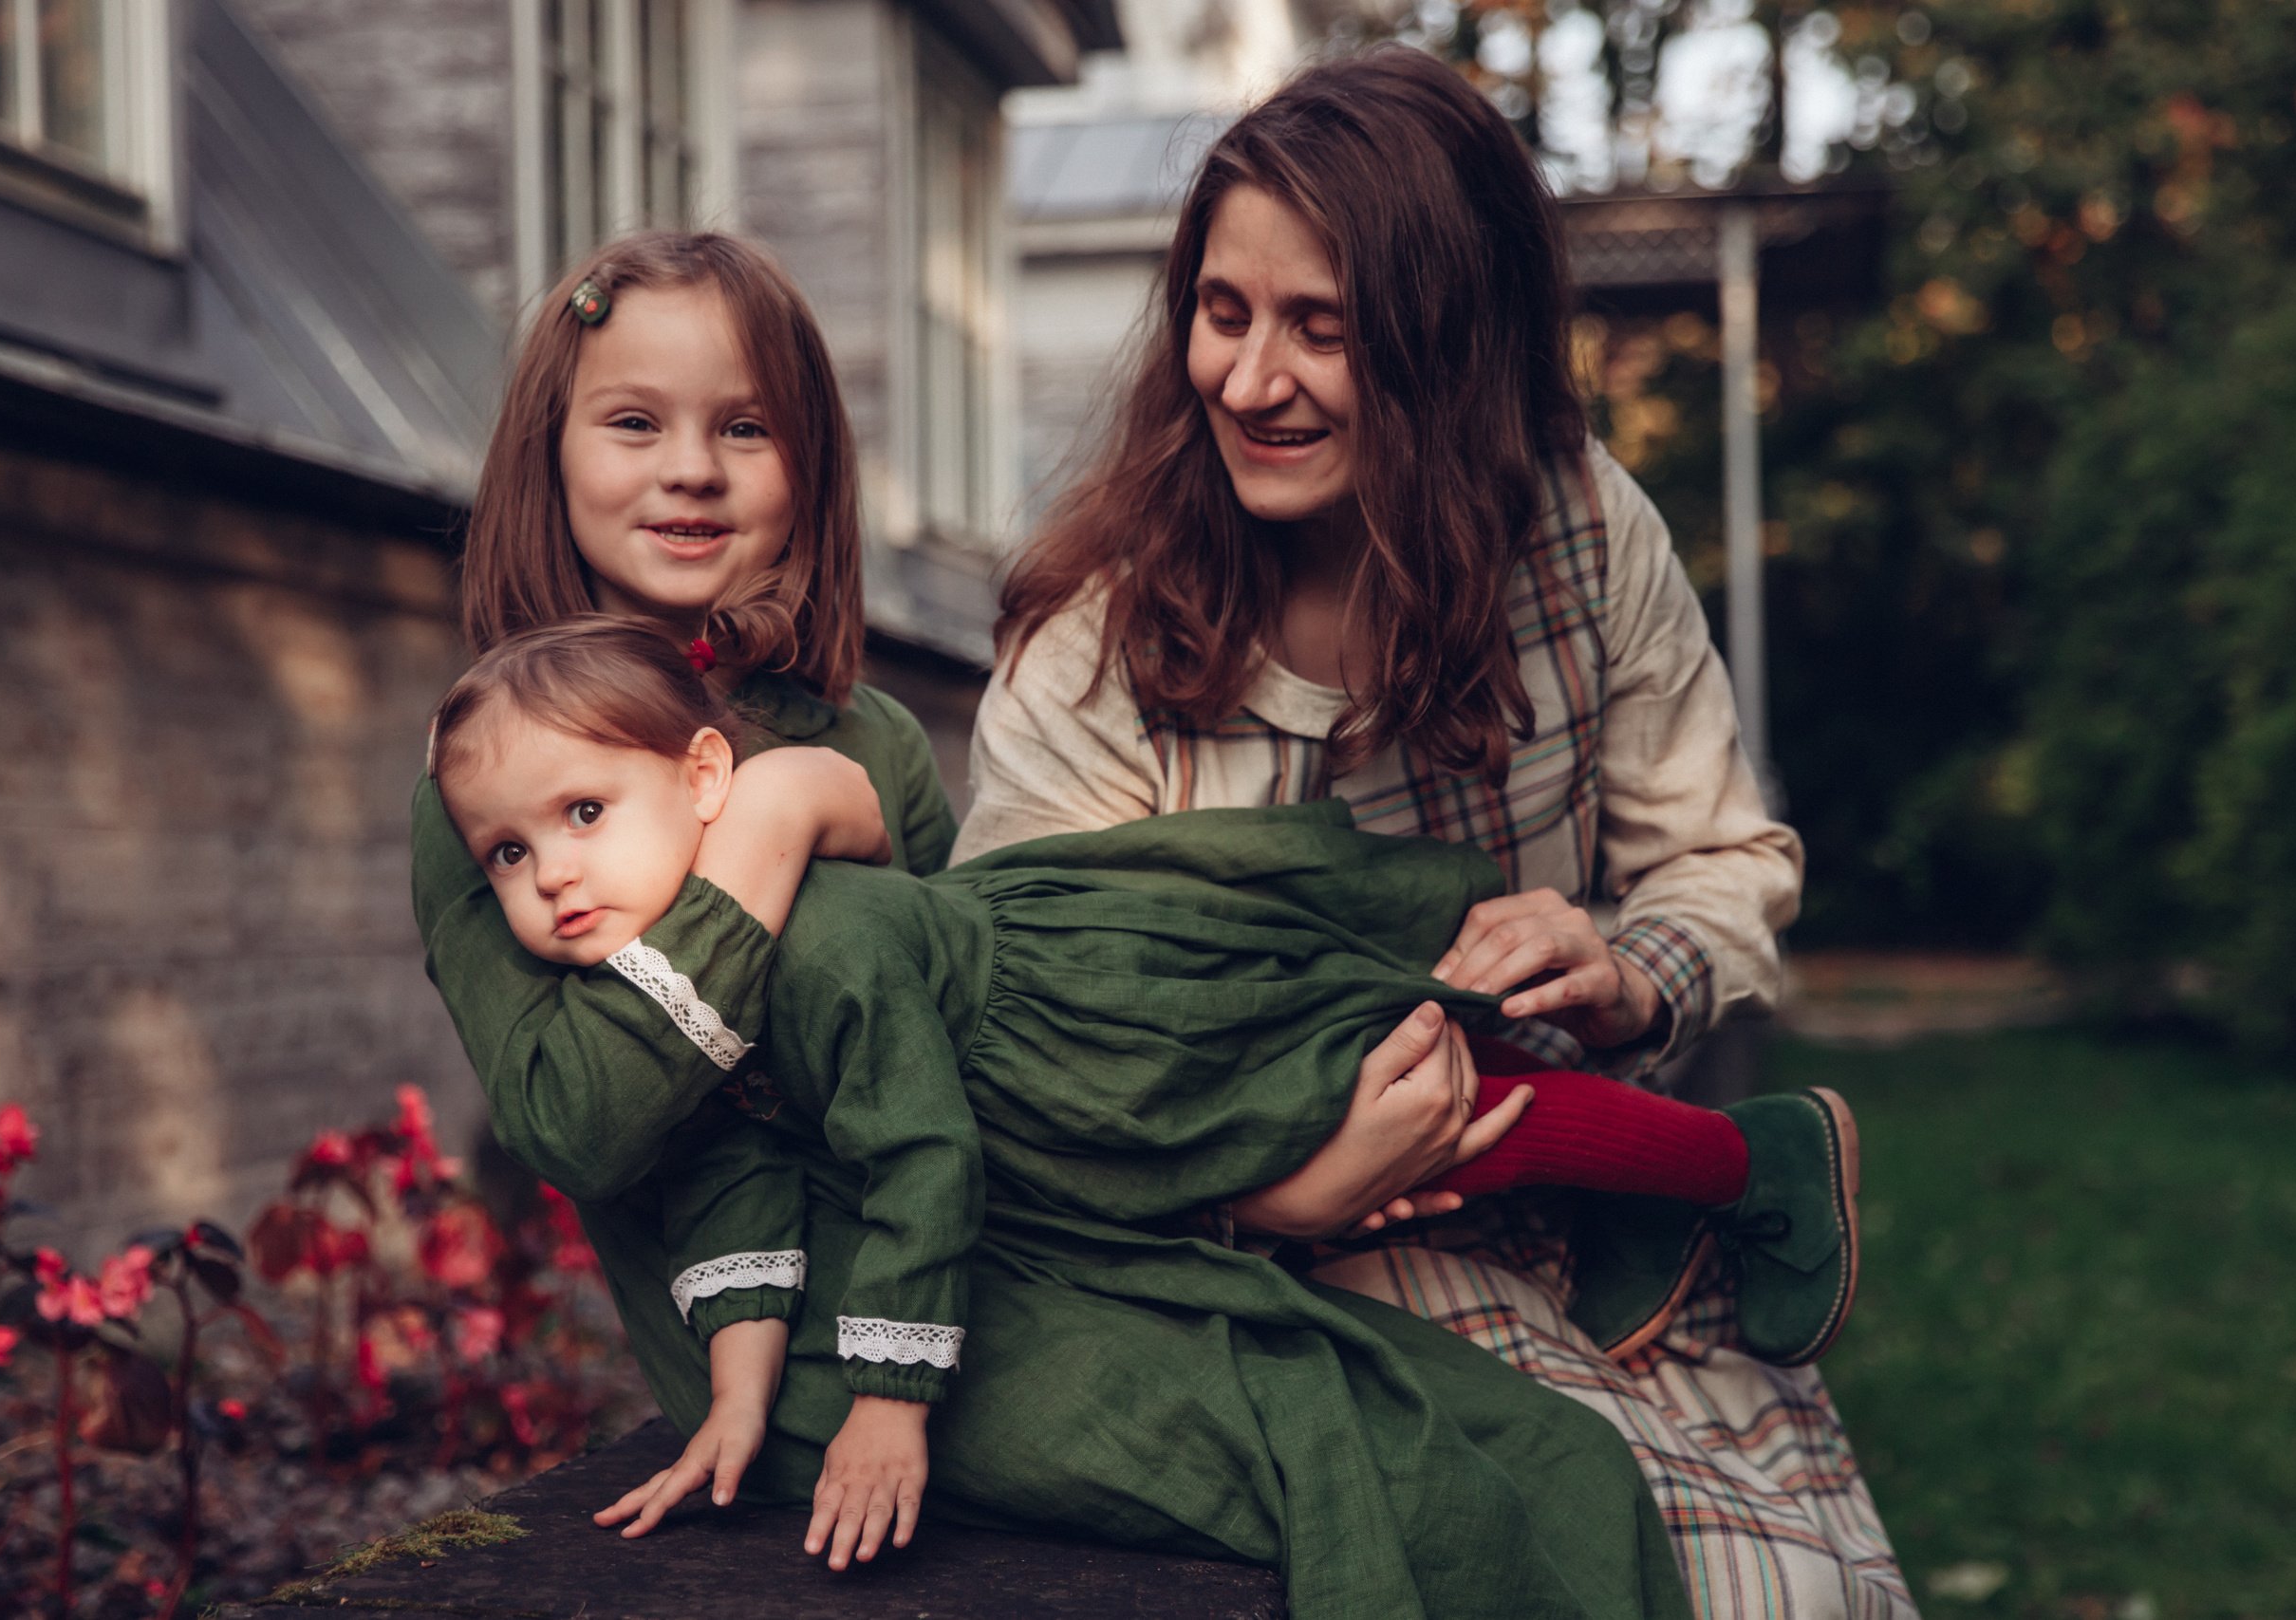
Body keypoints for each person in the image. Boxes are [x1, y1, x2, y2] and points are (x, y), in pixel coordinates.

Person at [410, 233, 1692, 1618]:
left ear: (813, 467)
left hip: (984, 1231)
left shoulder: (867, 735)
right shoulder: (491, 785)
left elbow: (970, 1076)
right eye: (633, 423)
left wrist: (1262, 1197)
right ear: (551, 451)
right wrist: (769, 831)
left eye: (744, 427)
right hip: (797, 1356)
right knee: (1325, 1455)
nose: (692, 468)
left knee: (1515, 1440)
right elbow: (574, 1118)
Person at [956, 47, 1917, 1618]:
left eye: (1321, 330)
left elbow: (1728, 858)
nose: (1251, 380)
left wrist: (1622, 962)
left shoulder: (1585, 534)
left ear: (1449, 347)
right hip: (1268, 1273)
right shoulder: (1097, 647)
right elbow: (1018, 1063)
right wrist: (1285, 1190)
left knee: (1825, 1596)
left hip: (1600, 1200)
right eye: (1223, 311)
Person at [423, 614, 1862, 1558]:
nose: (547, 873)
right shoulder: (686, 979)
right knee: (1386, 1135)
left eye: (585, 815)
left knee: (1387, 1090)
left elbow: (921, 1160)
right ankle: (1636, 1197)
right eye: (503, 852)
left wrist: (888, 1401)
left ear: (710, 778)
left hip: (1112, 1039)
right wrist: (739, 1398)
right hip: (1067, 1111)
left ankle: (1752, 1166)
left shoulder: (817, 946)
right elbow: (745, 1173)